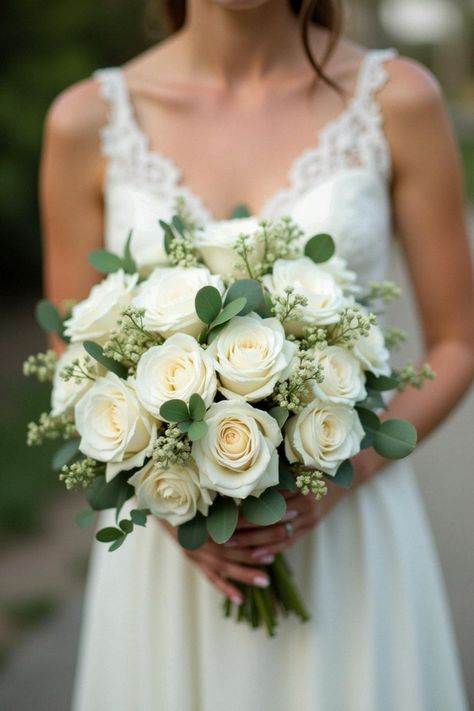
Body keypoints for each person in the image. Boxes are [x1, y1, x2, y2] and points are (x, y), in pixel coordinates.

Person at [41, 0, 473, 709]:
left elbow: (458, 341)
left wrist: (345, 473)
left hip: (349, 530)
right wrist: (166, 497)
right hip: (174, 552)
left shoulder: (401, 100)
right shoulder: (85, 121)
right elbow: (73, 354)